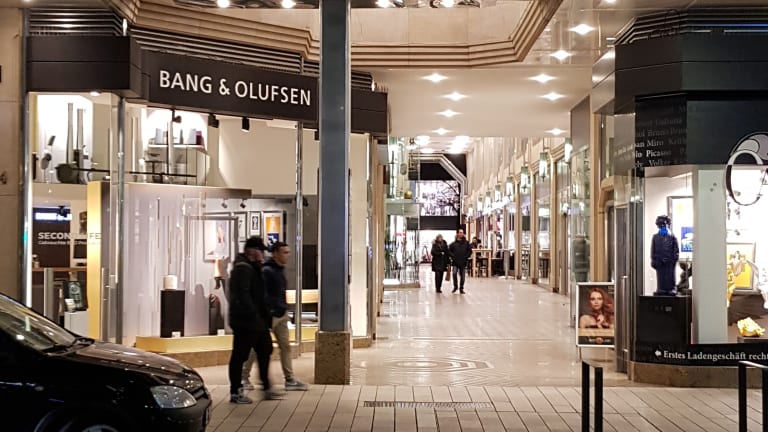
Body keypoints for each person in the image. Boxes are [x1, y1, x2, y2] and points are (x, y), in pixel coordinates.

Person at [227, 236, 281, 403]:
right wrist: (254, 315)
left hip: (257, 321)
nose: (263, 254)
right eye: (260, 251)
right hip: (245, 322)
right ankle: (236, 391)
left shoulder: (253, 267)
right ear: (252, 251)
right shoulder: (242, 268)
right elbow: (243, 295)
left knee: (265, 350)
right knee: (240, 356)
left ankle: (266, 387)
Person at [264, 241, 310, 391]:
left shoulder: (280, 270)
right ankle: (244, 376)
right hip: (271, 315)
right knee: (258, 347)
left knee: (285, 347)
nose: (288, 255)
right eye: (284, 252)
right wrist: (270, 311)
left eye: (288, 252)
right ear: (275, 254)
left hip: (281, 314)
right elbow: (266, 294)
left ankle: (289, 379)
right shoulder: (267, 271)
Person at [448, 229, 472, 294]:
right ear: (457, 234)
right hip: (455, 262)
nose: (461, 234)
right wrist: (453, 256)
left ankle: (461, 288)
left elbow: (470, 251)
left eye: (462, 233)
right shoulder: (453, 244)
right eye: (460, 232)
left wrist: (466, 256)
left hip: (463, 261)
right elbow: (449, 251)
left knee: (463, 276)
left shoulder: (466, 243)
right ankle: (455, 287)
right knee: (454, 273)